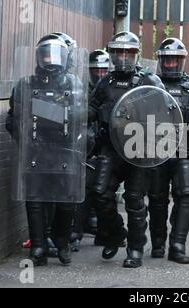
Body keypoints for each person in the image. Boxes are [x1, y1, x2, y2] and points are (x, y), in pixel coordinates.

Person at [6, 33, 86, 266]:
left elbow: (80, 117)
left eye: (55, 54)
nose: (50, 59)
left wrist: (44, 112)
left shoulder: (73, 83)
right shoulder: (26, 84)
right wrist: (27, 140)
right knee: (35, 200)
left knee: (66, 200)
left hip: (64, 150)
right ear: (38, 57)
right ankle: (39, 246)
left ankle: (61, 242)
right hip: (36, 150)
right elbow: (14, 119)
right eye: (45, 54)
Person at [89, 31, 165, 268]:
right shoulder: (106, 82)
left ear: (136, 55)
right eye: (118, 52)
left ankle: (135, 249)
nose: (122, 57)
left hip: (138, 149)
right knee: (100, 193)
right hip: (111, 148)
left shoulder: (149, 81)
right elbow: (91, 108)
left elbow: (165, 116)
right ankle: (115, 234)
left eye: (127, 52)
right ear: (112, 54)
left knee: (134, 199)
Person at [148, 38, 189, 264]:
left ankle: (177, 244)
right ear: (162, 60)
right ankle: (157, 242)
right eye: (168, 59)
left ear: (182, 60)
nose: (172, 64)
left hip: (186, 148)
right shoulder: (150, 83)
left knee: (185, 193)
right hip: (156, 149)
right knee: (156, 198)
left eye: (176, 59)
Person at [70, 49, 112, 251]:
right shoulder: (83, 89)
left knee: (104, 191)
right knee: (85, 187)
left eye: (104, 70)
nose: (100, 74)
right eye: (96, 71)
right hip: (86, 144)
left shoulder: (110, 88)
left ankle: (104, 231)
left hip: (107, 145)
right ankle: (76, 230)